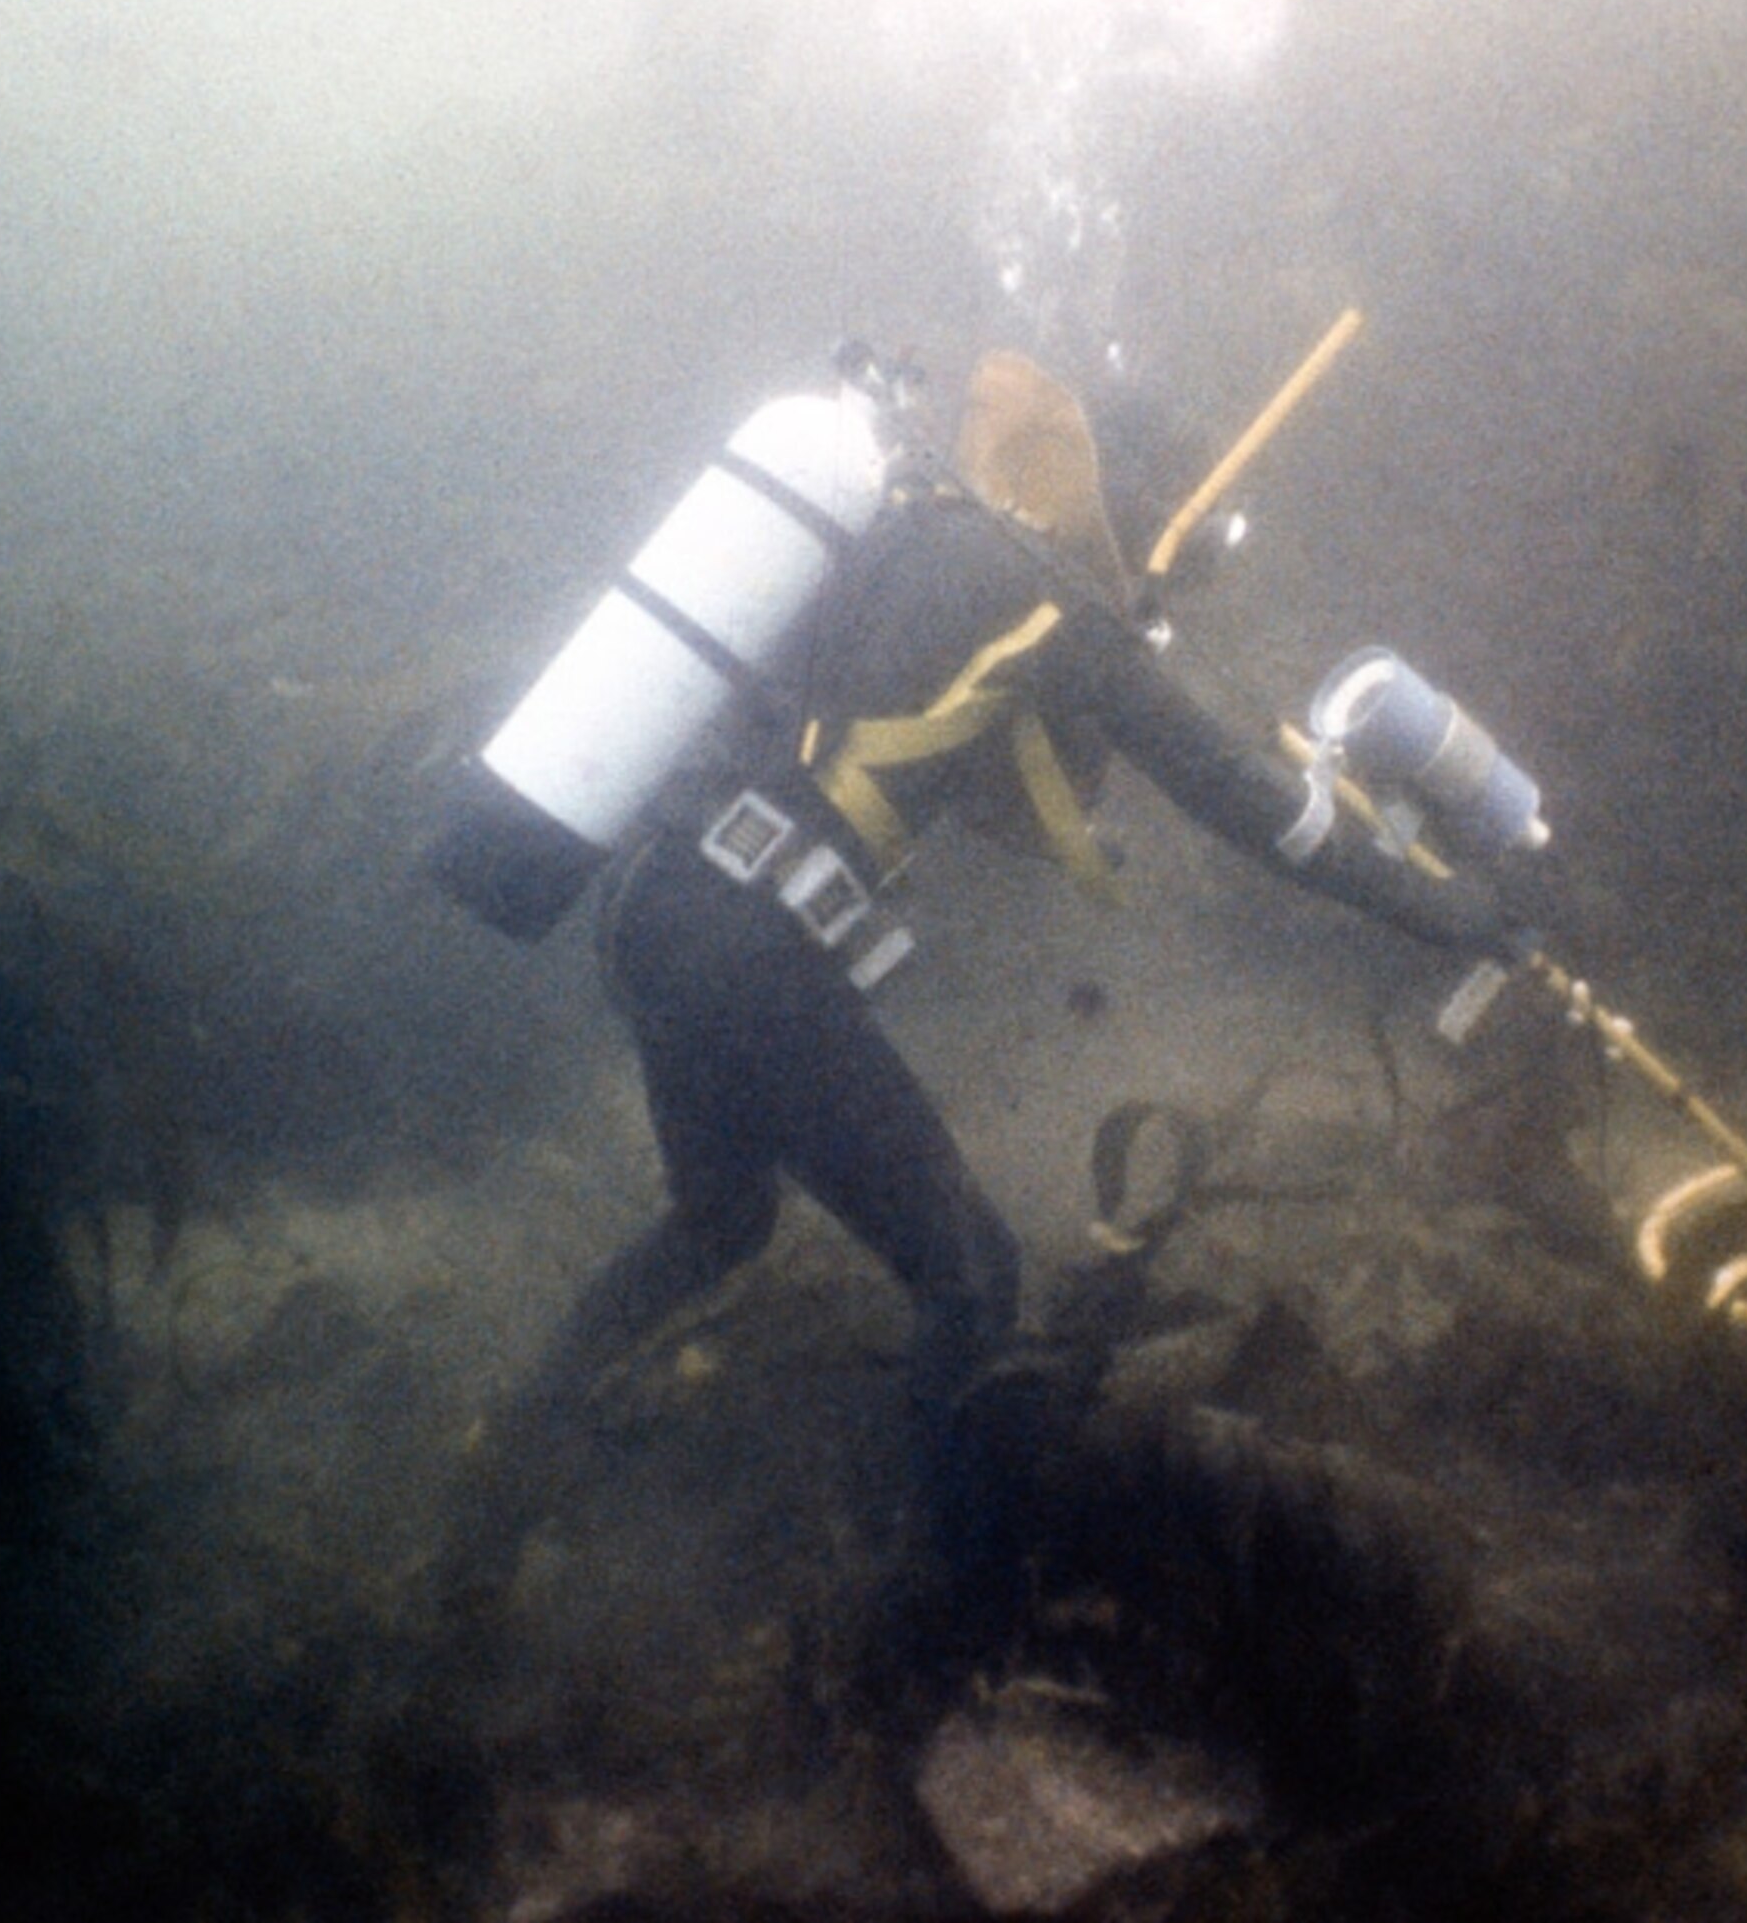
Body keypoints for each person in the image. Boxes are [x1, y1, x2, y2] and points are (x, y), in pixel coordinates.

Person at [427, 345, 1517, 1619]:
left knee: (722, 1223)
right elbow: (1246, 803)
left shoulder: (910, 533)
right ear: (1121, 497)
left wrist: (1113, 661)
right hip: (747, 948)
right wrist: (1445, 911)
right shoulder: (1054, 602)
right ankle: (949, 1627)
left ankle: (494, 1486)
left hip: (657, 912)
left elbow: (996, 782)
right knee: (973, 1277)